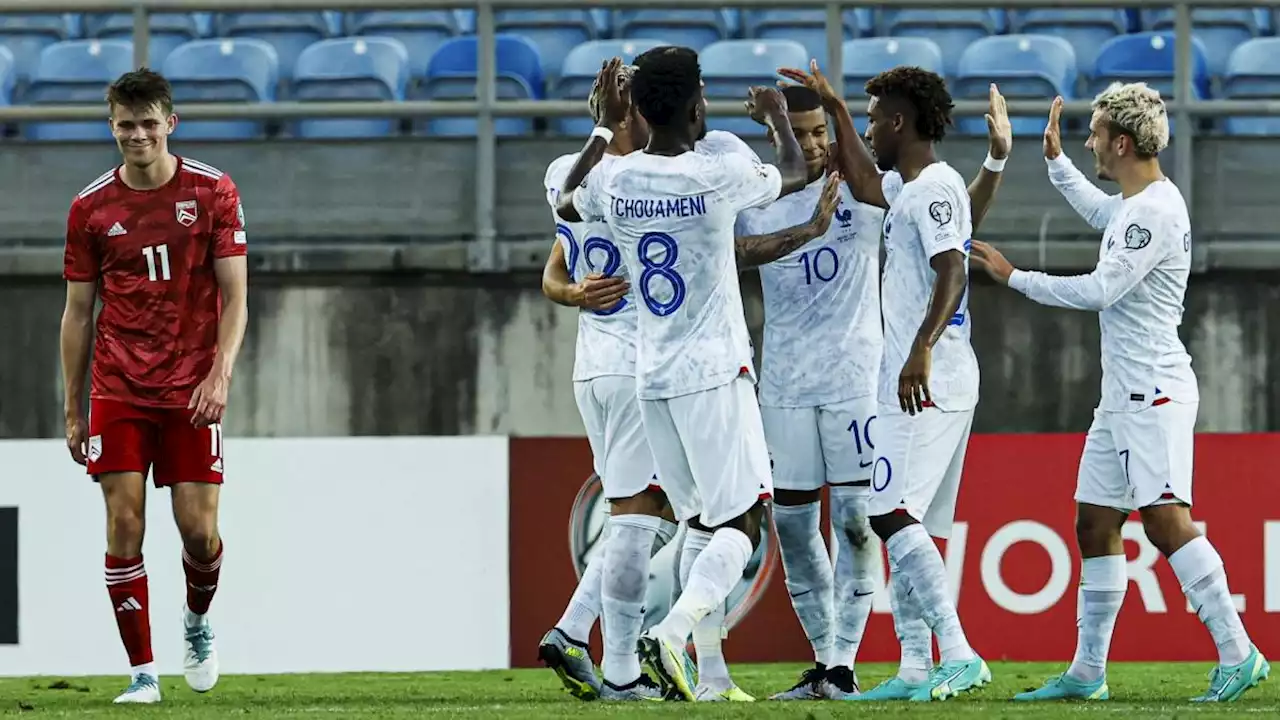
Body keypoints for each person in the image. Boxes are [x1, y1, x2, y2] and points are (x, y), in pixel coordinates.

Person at [540, 57, 842, 703]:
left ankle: (697, 672)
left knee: (696, 524)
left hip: (651, 375)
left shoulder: (616, 178)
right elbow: (791, 174)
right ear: (698, 106)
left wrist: (602, 128)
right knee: (743, 522)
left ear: (637, 111)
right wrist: (780, 120)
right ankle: (671, 632)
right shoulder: (717, 172)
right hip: (713, 371)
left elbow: (568, 200)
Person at [971, 85, 1269, 703]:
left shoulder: (1152, 213)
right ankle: (1087, 671)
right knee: (1095, 522)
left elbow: (1100, 291)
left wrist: (1013, 277)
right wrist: (1056, 163)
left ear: (1122, 142)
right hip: (1124, 397)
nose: (1090, 141)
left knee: (1164, 522)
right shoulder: (1143, 204)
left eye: (1096, 133)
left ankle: (1239, 653)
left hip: (1151, 393)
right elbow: (1102, 214)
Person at [742, 77, 1012, 701]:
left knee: (871, 520)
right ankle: (894, 666)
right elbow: (949, 225)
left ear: (892, 122)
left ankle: (867, 660)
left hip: (872, 381)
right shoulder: (784, 194)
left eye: (827, 131)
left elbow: (952, 246)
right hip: (788, 384)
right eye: (803, 134)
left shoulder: (878, 192)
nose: (821, 144)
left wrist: (918, 348)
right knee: (804, 524)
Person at [59, 68, 248, 704]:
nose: (136, 134)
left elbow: (237, 297)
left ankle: (196, 623)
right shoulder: (90, 208)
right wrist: (73, 406)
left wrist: (220, 374)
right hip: (118, 386)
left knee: (198, 533)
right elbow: (78, 312)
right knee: (123, 522)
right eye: (124, 124)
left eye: (148, 123)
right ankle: (143, 674)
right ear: (110, 127)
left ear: (171, 123)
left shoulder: (215, 190)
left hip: (192, 387)